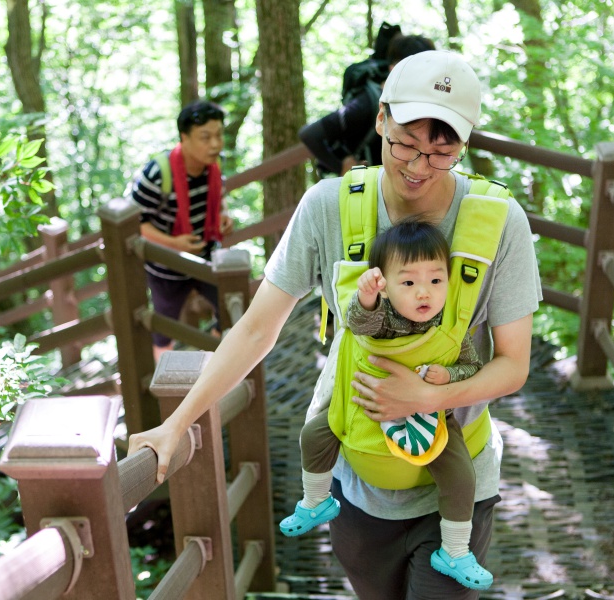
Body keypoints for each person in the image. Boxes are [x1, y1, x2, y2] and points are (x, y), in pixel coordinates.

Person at [128, 50, 543, 599]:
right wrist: (176, 424)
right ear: (379, 119)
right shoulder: (328, 207)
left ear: (464, 145)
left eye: (441, 152)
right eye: (405, 145)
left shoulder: (498, 222)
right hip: (356, 472)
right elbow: (256, 329)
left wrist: (423, 397)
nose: (419, 167)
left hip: (455, 482)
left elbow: (514, 364)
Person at [278, 217, 491, 590]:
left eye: (435, 280)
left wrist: (449, 377)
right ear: (387, 287)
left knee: (460, 473)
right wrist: (366, 298)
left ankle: (455, 550)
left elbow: (472, 366)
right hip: (363, 404)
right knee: (314, 434)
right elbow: (358, 324)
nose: (423, 293)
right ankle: (316, 499)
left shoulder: (451, 325)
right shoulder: (382, 317)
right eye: (408, 282)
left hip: (431, 414)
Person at [127, 100, 235, 361]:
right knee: (165, 328)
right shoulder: (157, 174)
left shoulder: (213, 167)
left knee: (229, 308)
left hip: (206, 254)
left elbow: (217, 200)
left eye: (219, 135)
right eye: (205, 137)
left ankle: (212, 367)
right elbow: (135, 223)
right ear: (184, 138)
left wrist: (223, 216)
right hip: (167, 266)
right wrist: (174, 244)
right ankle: (164, 385)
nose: (215, 144)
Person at [298, 33, 436, 177]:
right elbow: (309, 134)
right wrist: (342, 168)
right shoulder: (367, 103)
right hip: (364, 192)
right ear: (393, 68)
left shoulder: (422, 107)